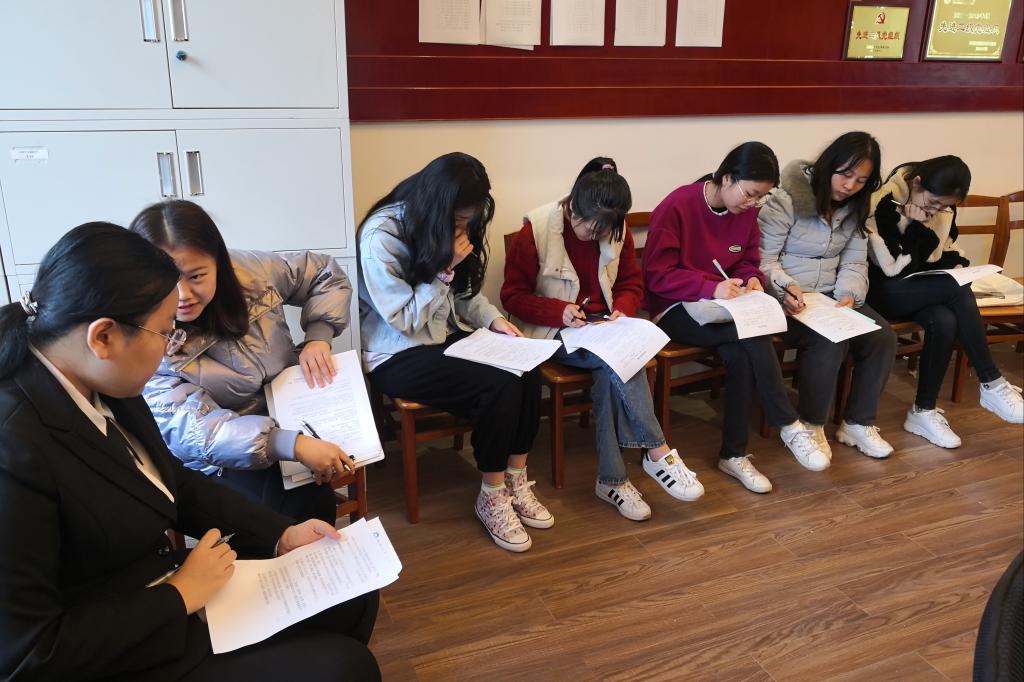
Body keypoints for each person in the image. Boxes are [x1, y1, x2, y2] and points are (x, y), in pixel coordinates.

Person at [0, 223, 380, 681]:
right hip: (121, 641)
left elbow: (171, 482)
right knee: (346, 667)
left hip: (163, 593)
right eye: (165, 333)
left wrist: (281, 535)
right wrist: (179, 595)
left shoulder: (104, 383)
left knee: (350, 590)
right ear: (103, 337)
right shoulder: (15, 448)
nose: (171, 348)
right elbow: (29, 653)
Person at [358, 152, 551, 552]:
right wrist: (443, 269)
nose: (463, 229)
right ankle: (491, 494)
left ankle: (515, 478)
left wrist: (494, 321)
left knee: (527, 366)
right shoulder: (381, 236)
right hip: (396, 352)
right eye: (459, 221)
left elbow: (464, 294)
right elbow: (405, 320)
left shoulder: (451, 225)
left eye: (468, 222)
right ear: (437, 207)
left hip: (443, 337)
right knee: (500, 383)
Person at [502, 157, 702, 521]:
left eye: (601, 232)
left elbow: (631, 284)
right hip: (553, 332)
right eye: (585, 225)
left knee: (611, 371)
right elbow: (512, 296)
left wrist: (622, 310)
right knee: (618, 359)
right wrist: (558, 311)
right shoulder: (538, 230)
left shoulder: (616, 230)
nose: (591, 235)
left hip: (603, 328)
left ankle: (613, 481)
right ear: (573, 206)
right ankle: (657, 451)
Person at [130, 200, 353, 524]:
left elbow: (323, 272)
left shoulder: (251, 272)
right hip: (220, 451)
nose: (183, 294)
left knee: (320, 479)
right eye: (167, 281)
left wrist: (319, 335)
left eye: (197, 276)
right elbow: (198, 431)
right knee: (290, 508)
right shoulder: (145, 334)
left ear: (218, 262)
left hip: (290, 412)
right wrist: (289, 444)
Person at [644, 141, 830, 493]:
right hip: (674, 309)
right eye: (750, 194)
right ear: (727, 178)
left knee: (742, 353)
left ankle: (734, 455)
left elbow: (746, 260)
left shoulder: (744, 212)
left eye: (760, 197)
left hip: (727, 310)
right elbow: (656, 276)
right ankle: (788, 425)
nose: (752, 204)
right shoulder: (678, 205)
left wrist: (752, 280)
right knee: (752, 335)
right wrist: (708, 287)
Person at [757, 132, 898, 461]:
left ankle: (858, 423)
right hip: (787, 299)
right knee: (829, 340)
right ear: (828, 165)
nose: (850, 186)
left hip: (830, 298)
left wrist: (849, 294)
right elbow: (763, 260)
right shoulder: (787, 199)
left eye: (861, 180)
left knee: (882, 337)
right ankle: (812, 424)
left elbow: (854, 261)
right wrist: (785, 289)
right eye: (845, 175)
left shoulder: (855, 207)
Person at [865, 155, 1023, 444]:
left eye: (944, 206)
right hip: (880, 290)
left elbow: (942, 251)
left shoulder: (944, 209)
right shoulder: (884, 204)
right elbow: (891, 266)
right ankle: (992, 382)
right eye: (933, 203)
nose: (936, 211)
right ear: (917, 183)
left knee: (944, 318)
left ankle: (923, 412)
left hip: (916, 289)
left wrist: (957, 263)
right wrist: (913, 226)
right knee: (955, 288)